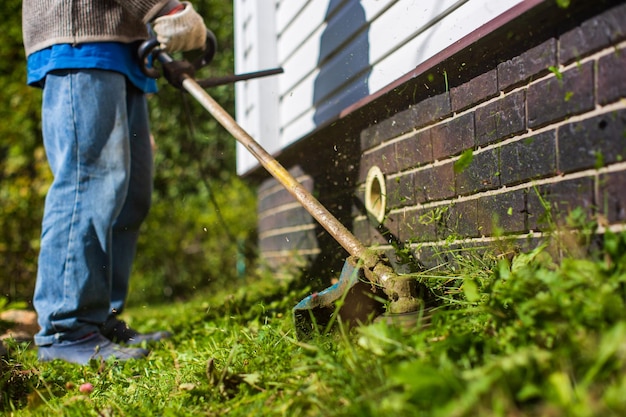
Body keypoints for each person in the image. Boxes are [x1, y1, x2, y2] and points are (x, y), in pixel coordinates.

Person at [22, 0, 209, 364]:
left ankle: (99, 318)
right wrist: (164, 7)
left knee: (130, 195)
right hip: (80, 36)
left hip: (124, 46)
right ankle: (67, 327)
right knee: (87, 183)